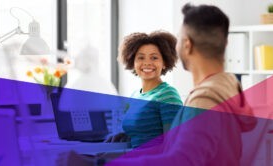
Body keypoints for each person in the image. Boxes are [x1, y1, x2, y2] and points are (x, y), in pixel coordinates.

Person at [56, 3, 256, 166]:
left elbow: (180, 160)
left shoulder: (204, 99)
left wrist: (96, 163)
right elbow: (176, 149)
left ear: (187, 44)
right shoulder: (228, 85)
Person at [106, 31, 183, 148]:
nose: (147, 63)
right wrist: (124, 136)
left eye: (154, 58)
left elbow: (173, 144)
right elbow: (141, 134)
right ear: (133, 62)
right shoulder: (135, 96)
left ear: (164, 63)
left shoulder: (168, 95)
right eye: (141, 57)